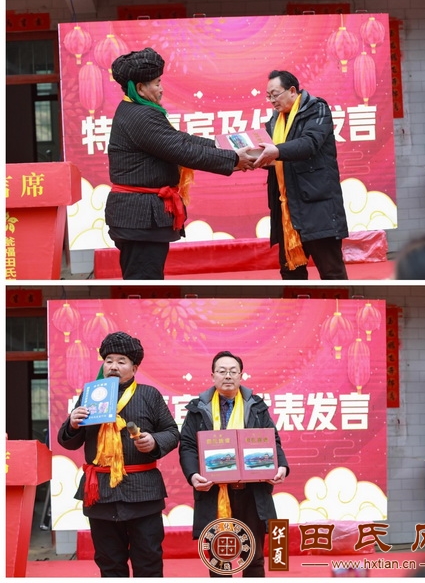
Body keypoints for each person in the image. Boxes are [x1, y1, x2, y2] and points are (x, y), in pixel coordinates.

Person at [106, 47, 255, 280]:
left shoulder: (134, 110)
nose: (161, 89)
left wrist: (226, 148)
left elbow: (180, 140)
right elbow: (182, 150)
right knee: (144, 284)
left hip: (140, 219)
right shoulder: (140, 115)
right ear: (140, 88)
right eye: (157, 83)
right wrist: (234, 159)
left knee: (147, 280)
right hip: (140, 219)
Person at [58, 331, 180, 577]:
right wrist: (72, 424)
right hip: (101, 493)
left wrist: (154, 441)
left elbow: (172, 432)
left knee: (148, 561)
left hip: (142, 492)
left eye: (121, 361)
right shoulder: (90, 395)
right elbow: (69, 442)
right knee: (109, 563)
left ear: (134, 368)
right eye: (109, 360)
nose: (113, 366)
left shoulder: (149, 395)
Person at [179, 350, 289, 577]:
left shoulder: (256, 406)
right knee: (220, 559)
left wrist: (281, 466)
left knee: (253, 557)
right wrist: (192, 475)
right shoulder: (198, 408)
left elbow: (272, 441)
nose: (227, 376)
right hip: (214, 492)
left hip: (252, 493)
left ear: (241, 375)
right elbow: (188, 446)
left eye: (233, 371)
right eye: (222, 371)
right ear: (213, 376)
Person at [253, 70, 349, 280]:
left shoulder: (317, 109)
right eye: (268, 96)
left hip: (318, 208)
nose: (272, 101)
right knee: (290, 273)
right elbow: (277, 159)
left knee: (331, 272)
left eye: (275, 94)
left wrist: (276, 151)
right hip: (287, 209)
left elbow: (309, 143)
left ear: (292, 90)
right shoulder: (275, 121)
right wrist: (254, 159)